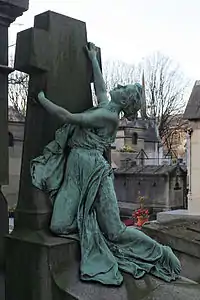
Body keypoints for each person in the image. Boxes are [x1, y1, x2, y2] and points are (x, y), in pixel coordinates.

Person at [31, 43, 181, 286]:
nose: (118, 86)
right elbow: (100, 88)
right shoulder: (107, 106)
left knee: (116, 232)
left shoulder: (108, 116)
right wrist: (93, 60)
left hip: (93, 171)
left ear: (125, 101)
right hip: (77, 166)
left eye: (124, 88)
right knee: (59, 225)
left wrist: (40, 99)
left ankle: (160, 253)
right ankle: (89, 220)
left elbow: (69, 117)